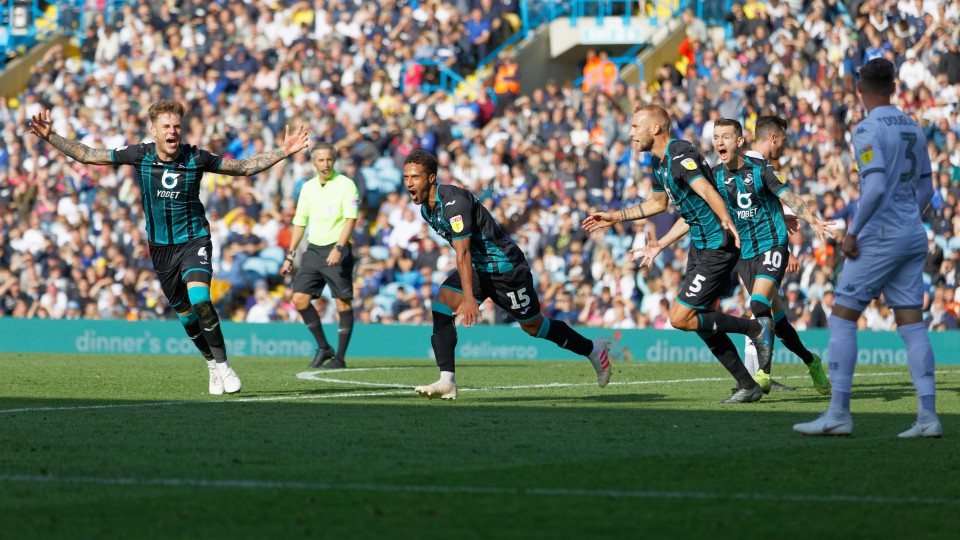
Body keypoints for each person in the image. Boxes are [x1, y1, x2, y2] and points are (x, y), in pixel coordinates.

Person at [29, 100, 310, 395]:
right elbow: (88, 155)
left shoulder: (196, 158)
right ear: (154, 130)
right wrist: (52, 137)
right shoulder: (139, 155)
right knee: (187, 316)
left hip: (194, 240)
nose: (172, 131)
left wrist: (284, 151)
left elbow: (242, 167)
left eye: (177, 126)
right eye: (166, 126)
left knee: (201, 298)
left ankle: (225, 365)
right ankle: (211, 365)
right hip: (161, 249)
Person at [582, 105, 773, 404]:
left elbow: (708, 192)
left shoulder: (680, 155)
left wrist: (726, 219)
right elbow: (659, 204)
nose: (630, 132)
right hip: (698, 245)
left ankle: (754, 329)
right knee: (702, 322)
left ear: (655, 129)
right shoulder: (658, 163)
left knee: (680, 317)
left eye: (635, 126)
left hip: (716, 246)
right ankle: (747, 385)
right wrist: (617, 217)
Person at [794, 58, 941, 438]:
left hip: (880, 234)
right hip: (911, 233)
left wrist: (853, 233)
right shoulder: (913, 127)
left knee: (842, 316)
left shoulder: (867, 128)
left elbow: (874, 188)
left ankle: (839, 413)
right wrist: (909, 214)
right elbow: (928, 189)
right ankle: (928, 417)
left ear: (860, 88)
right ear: (894, 86)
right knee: (912, 324)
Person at [634, 118, 833, 397]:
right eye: (716, 137)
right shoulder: (714, 176)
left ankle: (762, 374)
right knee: (780, 322)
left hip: (772, 244)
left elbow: (787, 195)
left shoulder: (760, 169)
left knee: (758, 302)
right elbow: (694, 216)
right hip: (744, 253)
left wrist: (813, 220)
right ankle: (811, 361)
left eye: (726, 136)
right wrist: (661, 244)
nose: (719, 142)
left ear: (739, 142)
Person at [402, 149, 611, 400]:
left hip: (506, 270)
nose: (409, 183)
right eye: (405, 178)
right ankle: (447, 380)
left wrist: (469, 298)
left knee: (534, 327)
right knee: (441, 308)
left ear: (432, 178)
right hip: (479, 270)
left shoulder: (453, 203)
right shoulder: (427, 209)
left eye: (414, 177)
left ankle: (592, 349)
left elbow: (464, 251)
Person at [280, 143, 360, 369]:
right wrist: (290, 255)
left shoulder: (346, 185)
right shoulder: (307, 188)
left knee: (342, 303)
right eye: (321, 160)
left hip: (337, 249)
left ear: (334, 161)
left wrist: (339, 248)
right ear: (313, 162)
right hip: (313, 250)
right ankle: (324, 347)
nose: (325, 164)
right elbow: (299, 222)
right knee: (299, 299)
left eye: (329, 160)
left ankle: (340, 358)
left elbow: (350, 219)